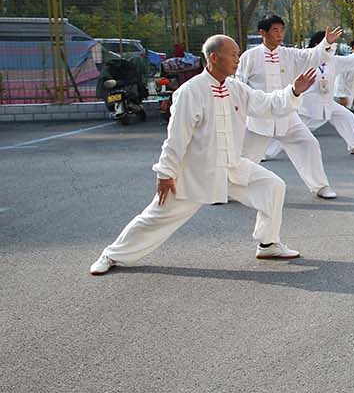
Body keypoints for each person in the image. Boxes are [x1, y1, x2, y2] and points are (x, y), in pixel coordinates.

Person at [89, 35, 318, 275]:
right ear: (214, 58)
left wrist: (293, 91)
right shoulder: (190, 91)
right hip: (196, 172)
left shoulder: (235, 87)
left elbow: (267, 103)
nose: (237, 60)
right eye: (233, 54)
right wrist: (166, 173)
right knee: (155, 218)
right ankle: (111, 254)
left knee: (272, 186)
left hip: (231, 166)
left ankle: (268, 244)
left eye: (238, 54)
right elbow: (177, 137)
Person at [237, 15, 343, 199]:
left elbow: (312, 56)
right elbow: (239, 84)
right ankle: (232, 189)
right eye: (275, 30)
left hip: (287, 115)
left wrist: (327, 43)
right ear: (262, 32)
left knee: (309, 144)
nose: (280, 34)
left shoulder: (289, 54)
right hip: (259, 117)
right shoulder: (249, 57)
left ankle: (320, 186)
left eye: (282, 30)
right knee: (247, 156)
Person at [296, 30, 354, 155]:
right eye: (329, 43)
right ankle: (267, 152)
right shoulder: (304, 58)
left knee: (347, 116)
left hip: (326, 101)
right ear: (317, 45)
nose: (332, 47)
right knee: (294, 128)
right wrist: (341, 95)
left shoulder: (333, 60)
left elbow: (352, 60)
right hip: (307, 102)